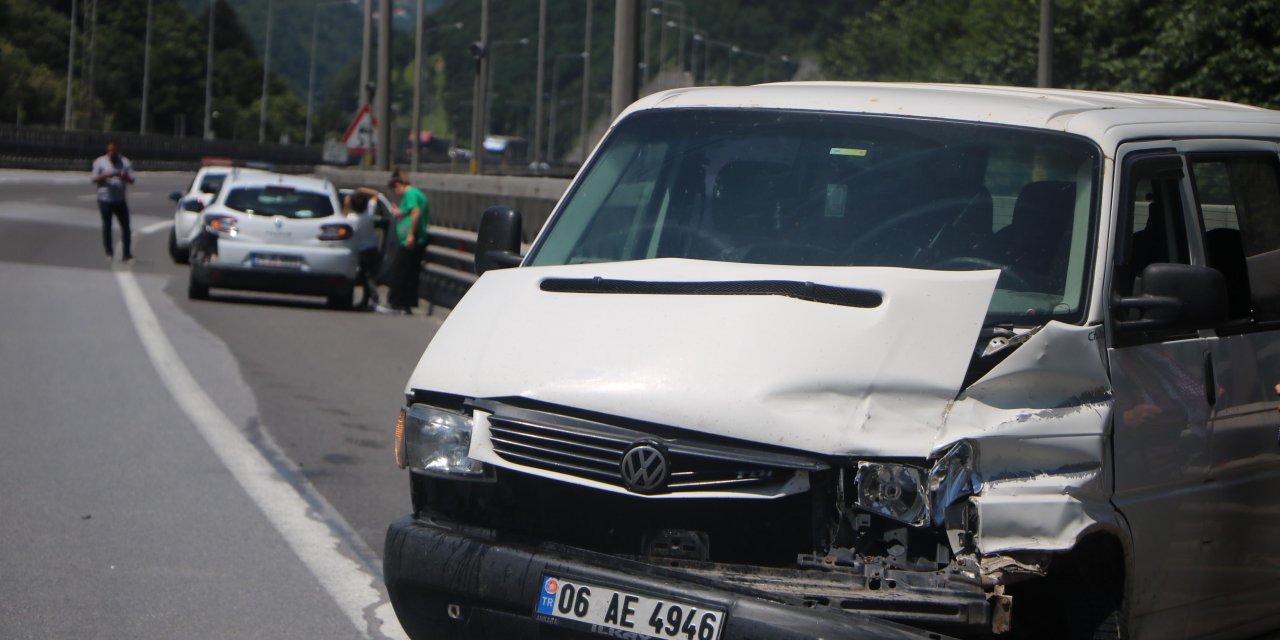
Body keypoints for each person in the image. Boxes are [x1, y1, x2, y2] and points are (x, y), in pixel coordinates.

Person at [376, 175, 429, 315]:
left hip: (410, 239)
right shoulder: (416, 193)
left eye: (395, 190)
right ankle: (406, 304)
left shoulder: (410, 194)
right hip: (415, 238)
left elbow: (416, 212)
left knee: (399, 272)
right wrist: (400, 213)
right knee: (409, 273)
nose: (396, 194)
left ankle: (395, 303)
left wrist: (410, 234)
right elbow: (410, 213)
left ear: (399, 185)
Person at [91, 141, 136, 262]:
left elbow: (132, 180)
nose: (112, 154)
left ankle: (127, 254)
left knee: (126, 227)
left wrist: (124, 176)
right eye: (110, 152)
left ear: (118, 152)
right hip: (105, 199)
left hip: (120, 200)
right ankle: (109, 252)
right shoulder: (100, 162)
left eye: (114, 152)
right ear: (107, 151)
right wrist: (105, 175)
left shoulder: (125, 162)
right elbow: (93, 178)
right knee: (107, 226)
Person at [343, 190, 382, 310]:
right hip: (373, 248)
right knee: (368, 275)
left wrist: (346, 205)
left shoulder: (351, 219)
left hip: (361, 251)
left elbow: (342, 220)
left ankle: (374, 297)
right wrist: (361, 189)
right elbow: (376, 195)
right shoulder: (369, 213)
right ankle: (366, 300)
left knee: (364, 275)